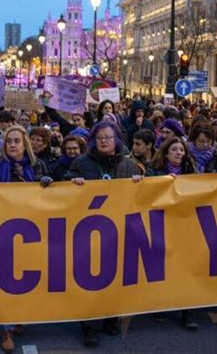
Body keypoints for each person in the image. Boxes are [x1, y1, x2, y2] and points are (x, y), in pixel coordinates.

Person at [64, 120, 140, 346]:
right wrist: (72, 182)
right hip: (88, 231)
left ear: (116, 139)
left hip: (118, 231)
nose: (104, 141)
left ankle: (111, 318)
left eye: (108, 137)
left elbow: (140, 198)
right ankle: (89, 325)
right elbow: (65, 190)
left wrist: (140, 184)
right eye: (99, 138)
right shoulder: (81, 163)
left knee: (114, 277)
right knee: (90, 280)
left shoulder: (130, 166)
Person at [0, 125, 51, 353]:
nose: (13, 145)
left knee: (26, 277)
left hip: (31, 230)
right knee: (5, 279)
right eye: (9, 141)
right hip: (2, 231)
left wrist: (47, 183)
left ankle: (19, 315)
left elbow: (50, 194)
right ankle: (6, 328)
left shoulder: (37, 165)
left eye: (17, 141)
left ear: (25, 145)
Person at [146, 136, 199, 329]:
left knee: (186, 269)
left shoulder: (191, 172)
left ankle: (188, 313)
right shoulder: (154, 171)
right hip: (161, 224)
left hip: (185, 225)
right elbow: (147, 193)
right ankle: (160, 306)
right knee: (162, 267)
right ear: (166, 153)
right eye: (174, 149)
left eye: (181, 150)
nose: (178, 153)